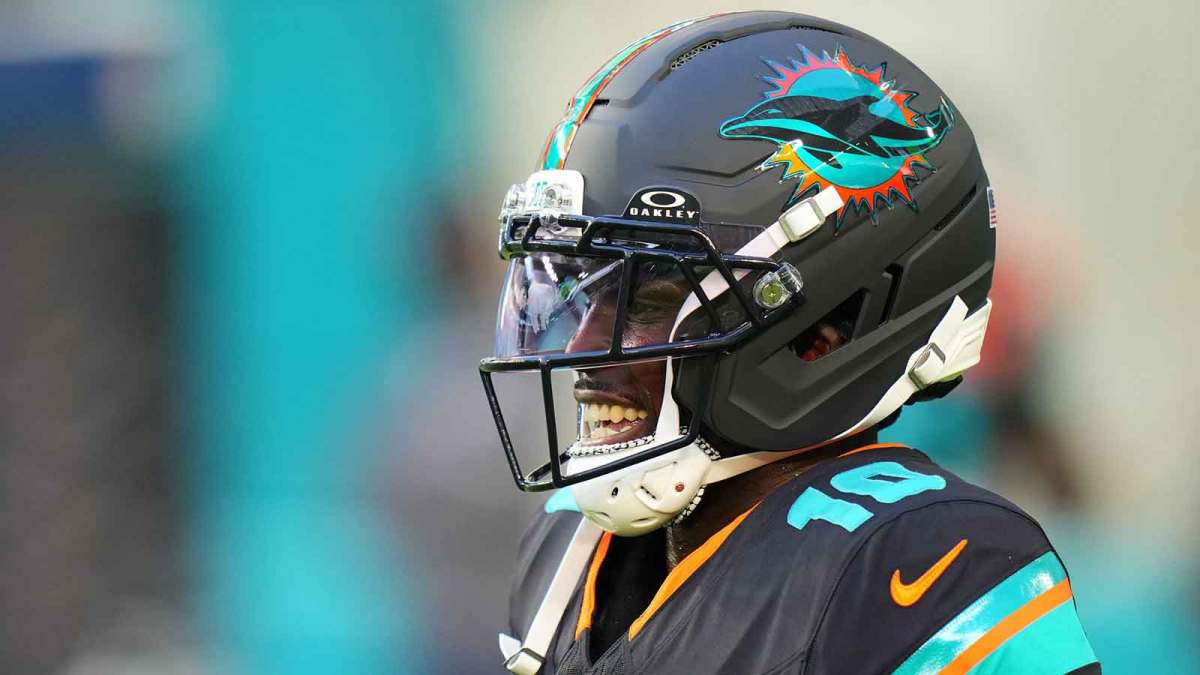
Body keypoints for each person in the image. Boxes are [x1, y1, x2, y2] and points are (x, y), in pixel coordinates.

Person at [479, 11, 1100, 674]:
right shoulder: (569, 545)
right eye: (580, 290)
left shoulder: (926, 561)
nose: (581, 346)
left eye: (646, 299)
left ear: (826, 322)